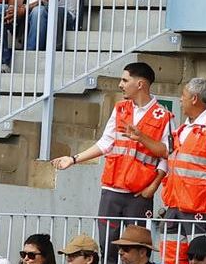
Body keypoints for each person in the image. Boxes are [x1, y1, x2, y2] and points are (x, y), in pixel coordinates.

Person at [50, 63, 172, 225]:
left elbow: (168, 154)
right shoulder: (120, 108)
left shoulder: (164, 116)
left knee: (137, 246)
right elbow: (105, 143)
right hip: (111, 189)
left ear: (140, 84)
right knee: (106, 245)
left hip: (139, 194)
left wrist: (153, 187)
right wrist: (73, 159)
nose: (120, 85)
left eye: (125, 80)